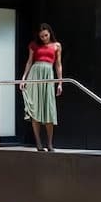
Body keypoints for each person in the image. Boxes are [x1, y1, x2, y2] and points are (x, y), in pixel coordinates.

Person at [21, 23, 62, 151]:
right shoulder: (34, 45)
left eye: (46, 35)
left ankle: (49, 144)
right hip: (35, 75)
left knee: (49, 110)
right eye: (42, 36)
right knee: (35, 109)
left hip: (48, 75)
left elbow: (58, 65)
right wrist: (24, 78)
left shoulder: (56, 46)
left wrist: (60, 83)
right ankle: (38, 143)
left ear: (50, 33)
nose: (44, 38)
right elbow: (29, 61)